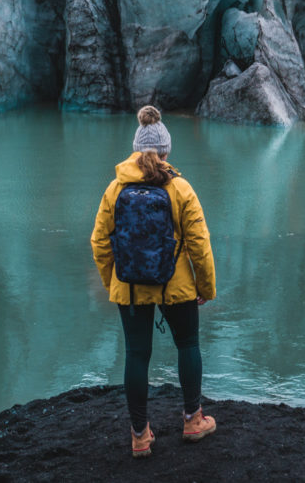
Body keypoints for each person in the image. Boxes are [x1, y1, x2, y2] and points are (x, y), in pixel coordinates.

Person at [91, 105, 217, 458]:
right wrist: (205, 288)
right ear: (166, 151)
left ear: (135, 151)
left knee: (136, 355)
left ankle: (140, 436)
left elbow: (99, 242)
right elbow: (199, 245)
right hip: (175, 286)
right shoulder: (180, 188)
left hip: (129, 287)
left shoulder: (115, 189)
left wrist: (112, 284)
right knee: (188, 344)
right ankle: (193, 420)